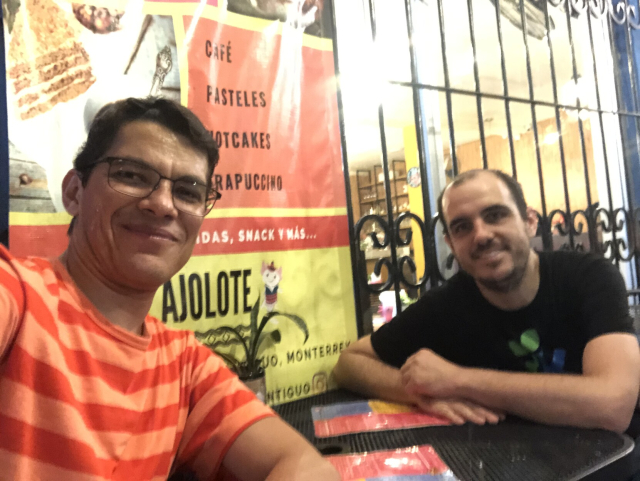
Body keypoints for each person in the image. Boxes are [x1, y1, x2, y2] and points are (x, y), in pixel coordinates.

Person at [0, 97, 339, 480]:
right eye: (131, 175)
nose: (163, 205)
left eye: (188, 192)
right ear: (75, 192)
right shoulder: (19, 294)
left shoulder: (183, 364)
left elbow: (308, 467)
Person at [333, 169, 640, 434]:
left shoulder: (587, 277)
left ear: (529, 221)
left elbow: (613, 405)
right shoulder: (447, 304)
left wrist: (457, 380)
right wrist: (419, 393)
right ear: (451, 244)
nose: (480, 235)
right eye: (462, 227)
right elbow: (349, 364)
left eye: (495, 215)